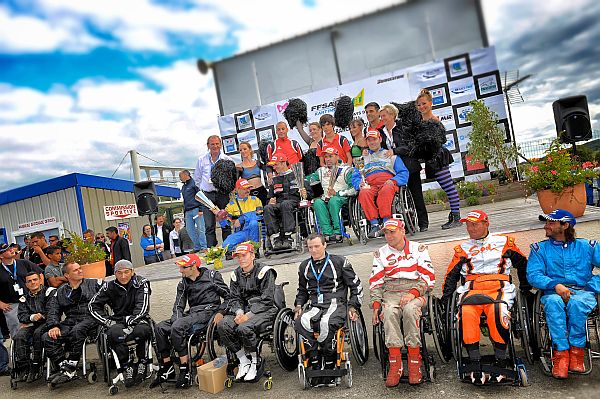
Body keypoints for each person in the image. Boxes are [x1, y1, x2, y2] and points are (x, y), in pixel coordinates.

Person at [441, 210, 531, 384]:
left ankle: (501, 361)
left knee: (498, 310)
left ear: (486, 223)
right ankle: (474, 363)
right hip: (472, 290)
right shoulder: (462, 249)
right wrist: (446, 298)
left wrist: (526, 290)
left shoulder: (505, 242)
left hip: (499, 288)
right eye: (468, 225)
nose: (471, 228)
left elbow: (523, 264)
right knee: (465, 313)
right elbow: (450, 275)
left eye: (475, 224)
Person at [527, 209, 600, 379]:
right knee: (553, 303)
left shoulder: (587, 246)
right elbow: (534, 275)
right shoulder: (539, 249)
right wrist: (555, 285)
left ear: (565, 225)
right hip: (553, 293)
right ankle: (561, 356)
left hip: (582, 292)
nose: (546, 226)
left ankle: (577, 353)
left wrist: (591, 287)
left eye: (551, 223)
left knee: (577, 303)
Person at [370, 218, 435, 386]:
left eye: (392, 231)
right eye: (386, 232)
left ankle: (415, 362)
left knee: (410, 310)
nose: (389, 236)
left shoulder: (418, 249)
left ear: (402, 231)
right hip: (390, 291)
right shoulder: (380, 253)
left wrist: (413, 293)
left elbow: (428, 277)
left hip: (416, 289)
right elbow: (376, 282)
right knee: (389, 312)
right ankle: (395, 363)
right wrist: (376, 305)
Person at [293, 234, 362, 386]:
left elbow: (356, 286)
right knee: (300, 321)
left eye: (317, 246)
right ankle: (315, 358)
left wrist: (353, 305)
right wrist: (298, 305)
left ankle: (330, 361)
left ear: (325, 245)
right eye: (310, 247)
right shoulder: (304, 266)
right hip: (315, 304)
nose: (313, 250)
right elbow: (302, 290)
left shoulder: (340, 262)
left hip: (336, 303)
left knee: (326, 323)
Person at [152, 254, 229, 388]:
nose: (180, 271)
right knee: (159, 327)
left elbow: (229, 297)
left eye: (183, 268)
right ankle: (167, 367)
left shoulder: (211, 276)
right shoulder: (183, 282)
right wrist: (176, 319)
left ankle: (184, 369)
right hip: (192, 313)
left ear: (194, 267)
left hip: (208, 312)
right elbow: (178, 305)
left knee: (178, 325)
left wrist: (221, 312)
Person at [217, 242, 277, 382]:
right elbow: (235, 298)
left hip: (265, 310)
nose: (241, 259)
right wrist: (238, 312)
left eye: (244, 255)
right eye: (238, 256)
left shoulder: (265, 272)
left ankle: (255, 361)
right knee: (223, 325)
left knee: (244, 327)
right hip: (243, 310)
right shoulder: (236, 274)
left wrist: (248, 316)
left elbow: (267, 299)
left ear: (253, 255)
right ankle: (243, 360)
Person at [89, 260, 152, 387]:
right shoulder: (109, 286)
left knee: (141, 331)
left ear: (132, 272)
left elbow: (143, 307)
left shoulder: (141, 283)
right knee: (113, 333)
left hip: (138, 319)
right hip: (117, 319)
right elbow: (92, 305)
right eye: (119, 273)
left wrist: (131, 321)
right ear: (115, 274)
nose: (123, 276)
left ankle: (142, 362)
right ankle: (126, 365)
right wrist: (106, 320)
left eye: (126, 272)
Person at [42, 262, 101, 384]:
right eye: (75, 270)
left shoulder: (94, 284)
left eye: (80, 268)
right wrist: (53, 325)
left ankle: (71, 367)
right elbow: (53, 309)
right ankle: (66, 368)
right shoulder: (60, 291)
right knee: (48, 337)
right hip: (71, 320)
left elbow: (112, 294)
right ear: (67, 275)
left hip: (91, 317)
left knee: (77, 330)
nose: (80, 271)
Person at [379, 103, 429, 232]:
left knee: (416, 195)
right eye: (381, 116)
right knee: (400, 200)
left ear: (392, 115)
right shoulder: (381, 132)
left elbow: (411, 146)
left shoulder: (403, 128)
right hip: (393, 169)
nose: (382, 119)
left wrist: (395, 151)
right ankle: (407, 224)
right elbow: (378, 148)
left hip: (409, 166)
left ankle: (423, 223)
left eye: (384, 116)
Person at [416, 89, 461, 229]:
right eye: (419, 105)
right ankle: (454, 216)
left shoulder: (435, 121)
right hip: (430, 158)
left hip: (438, 157)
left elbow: (439, 140)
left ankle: (456, 218)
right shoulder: (419, 121)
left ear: (430, 103)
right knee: (446, 186)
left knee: (449, 187)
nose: (421, 107)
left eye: (424, 103)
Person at [351, 130, 409, 239]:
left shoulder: (390, 155)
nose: (372, 142)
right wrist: (359, 184)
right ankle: (374, 224)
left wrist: (394, 180)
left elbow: (403, 172)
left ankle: (386, 221)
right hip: (370, 183)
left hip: (387, 182)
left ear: (380, 139)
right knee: (363, 192)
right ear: (366, 142)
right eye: (369, 140)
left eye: (374, 139)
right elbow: (355, 176)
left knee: (386, 189)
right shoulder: (362, 159)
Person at [305, 147, 356, 243]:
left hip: (341, 198)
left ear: (337, 156)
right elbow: (308, 179)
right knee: (318, 203)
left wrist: (338, 193)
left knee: (334, 200)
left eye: (330, 156)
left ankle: (338, 231)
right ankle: (327, 233)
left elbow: (353, 189)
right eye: (326, 157)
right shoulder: (321, 171)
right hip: (326, 198)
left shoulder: (346, 169)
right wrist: (299, 182)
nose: (328, 159)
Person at [12, 271, 52, 383]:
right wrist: (32, 317)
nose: (32, 282)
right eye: (29, 281)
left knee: (38, 333)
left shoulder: (49, 292)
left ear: (40, 280)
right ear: (26, 284)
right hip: (32, 324)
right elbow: (21, 316)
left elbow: (54, 310)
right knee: (19, 336)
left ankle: (36, 365)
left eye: (35, 279)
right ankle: (24, 368)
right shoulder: (24, 298)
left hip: (49, 323)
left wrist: (42, 316)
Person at [194, 135, 233, 248]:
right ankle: (212, 250)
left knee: (225, 222)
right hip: (208, 195)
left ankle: (228, 248)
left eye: (217, 144)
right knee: (209, 225)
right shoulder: (201, 160)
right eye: (212, 144)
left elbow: (231, 178)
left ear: (220, 145)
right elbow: (197, 178)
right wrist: (204, 188)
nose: (215, 146)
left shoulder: (227, 159)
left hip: (222, 194)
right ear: (208, 146)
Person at [264, 153, 309, 250]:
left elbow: (309, 193)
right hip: (279, 204)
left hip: (294, 202)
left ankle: (289, 236)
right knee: (267, 208)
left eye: (276, 164)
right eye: (273, 166)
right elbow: (269, 197)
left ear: (284, 163)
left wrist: (305, 194)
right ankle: (275, 238)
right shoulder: (274, 180)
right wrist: (270, 201)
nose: (274, 168)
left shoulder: (297, 175)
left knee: (285, 204)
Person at [0, 243, 43, 340]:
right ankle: (21, 352)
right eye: (6, 250)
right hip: (12, 306)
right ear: (1, 256)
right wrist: (1, 304)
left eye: (10, 248)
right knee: (18, 333)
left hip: (30, 301)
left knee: (36, 327)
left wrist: (40, 289)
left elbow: (40, 273)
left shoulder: (24, 263)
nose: (10, 250)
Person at [213, 178, 262, 259]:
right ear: (237, 190)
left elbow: (259, 215)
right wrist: (220, 216)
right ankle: (239, 250)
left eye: (248, 188)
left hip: (254, 230)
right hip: (241, 232)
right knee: (225, 246)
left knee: (253, 223)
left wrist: (241, 219)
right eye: (244, 188)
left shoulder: (255, 200)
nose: (247, 190)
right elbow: (226, 225)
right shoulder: (231, 205)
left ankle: (255, 251)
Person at [179, 169, 208, 253]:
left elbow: (201, 196)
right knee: (189, 229)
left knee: (200, 228)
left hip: (196, 209)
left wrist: (201, 209)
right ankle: (197, 246)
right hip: (188, 211)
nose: (180, 178)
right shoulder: (184, 186)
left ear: (185, 175)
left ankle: (204, 246)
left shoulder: (195, 183)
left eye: (180, 176)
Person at [237, 141, 268, 206]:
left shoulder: (257, 162)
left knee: (266, 211)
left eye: (245, 149)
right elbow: (236, 182)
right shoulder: (239, 167)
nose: (242, 151)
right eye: (240, 150)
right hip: (249, 193)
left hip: (262, 191)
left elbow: (268, 169)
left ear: (250, 149)